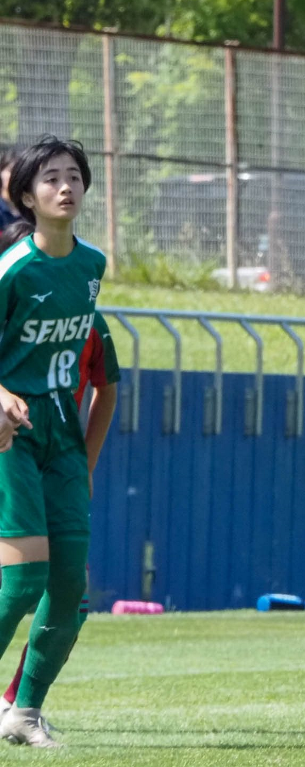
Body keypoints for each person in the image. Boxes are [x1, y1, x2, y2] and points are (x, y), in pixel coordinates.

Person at [0, 137, 106, 747]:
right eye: (51, 179)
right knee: (21, 582)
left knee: (70, 586)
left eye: (74, 177)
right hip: (11, 432)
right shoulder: (14, 268)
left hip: (62, 431)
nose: (65, 187)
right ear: (28, 197)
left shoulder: (93, 264)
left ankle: (24, 713)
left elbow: (94, 371)